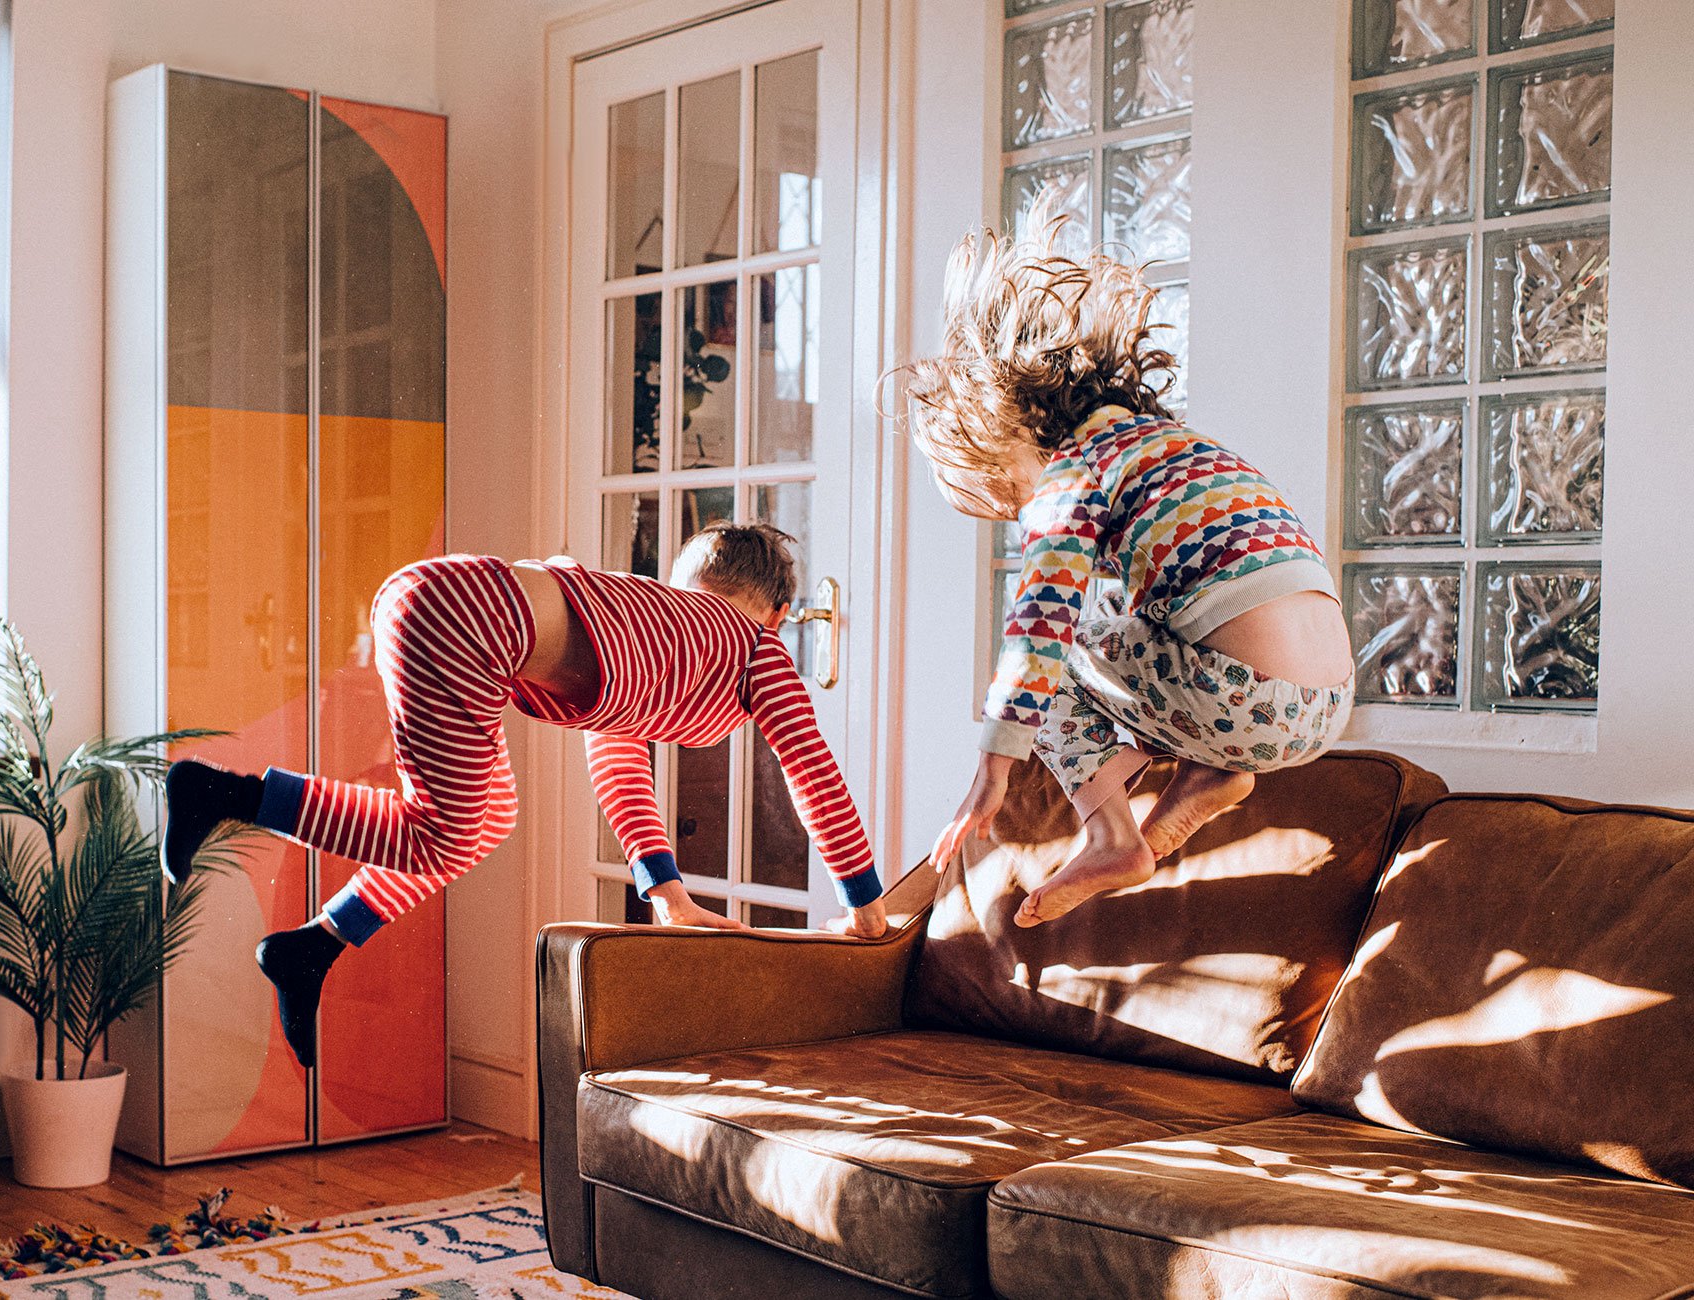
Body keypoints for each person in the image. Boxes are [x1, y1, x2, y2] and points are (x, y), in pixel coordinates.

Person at [162, 523, 884, 1066]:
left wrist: (664, 889)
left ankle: (313, 946)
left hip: (436, 602)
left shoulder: (660, 628)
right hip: (468, 620)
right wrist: (866, 911)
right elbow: (811, 770)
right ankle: (222, 795)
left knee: (482, 820)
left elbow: (618, 760)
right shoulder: (754, 647)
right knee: (444, 830)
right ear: (780, 614)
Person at [904, 211, 1354, 928]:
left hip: (1240, 697)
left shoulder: (1073, 471)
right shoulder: (1177, 447)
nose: (1025, 513)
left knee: (1061, 640)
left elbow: (1038, 629)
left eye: (1010, 492)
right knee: (1134, 617)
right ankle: (1212, 772)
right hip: (1328, 706)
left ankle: (1113, 834)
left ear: (1009, 429)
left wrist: (993, 768)